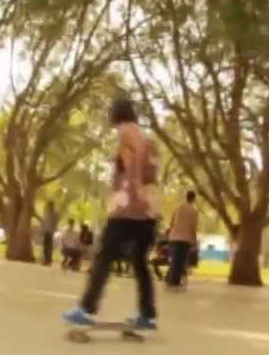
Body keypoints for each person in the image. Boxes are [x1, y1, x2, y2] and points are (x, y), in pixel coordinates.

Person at [63, 98, 162, 330]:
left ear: (116, 115)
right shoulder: (148, 139)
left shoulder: (126, 133)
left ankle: (86, 308)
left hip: (129, 209)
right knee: (139, 263)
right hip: (150, 211)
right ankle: (147, 314)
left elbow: (131, 165)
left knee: (104, 256)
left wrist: (127, 189)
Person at [167, 190, 198, 288]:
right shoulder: (194, 211)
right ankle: (174, 280)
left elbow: (171, 222)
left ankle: (171, 279)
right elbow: (193, 227)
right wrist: (194, 241)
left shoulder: (177, 207)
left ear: (186, 196)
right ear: (193, 199)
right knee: (180, 260)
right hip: (185, 238)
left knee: (174, 259)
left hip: (174, 237)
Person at [41, 201, 59, 267]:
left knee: (49, 247)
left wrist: (53, 229)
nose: (49, 207)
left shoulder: (54, 214)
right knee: (45, 247)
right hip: (46, 231)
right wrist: (42, 230)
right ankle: (45, 260)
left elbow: (55, 223)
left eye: (49, 206)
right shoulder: (46, 213)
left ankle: (48, 260)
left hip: (50, 231)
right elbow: (43, 222)